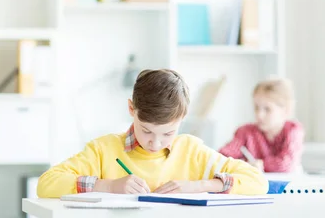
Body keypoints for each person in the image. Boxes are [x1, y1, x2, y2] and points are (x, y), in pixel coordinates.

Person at [37, 69, 268, 196]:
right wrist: (109, 186)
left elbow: (258, 182)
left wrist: (198, 185)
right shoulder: (104, 150)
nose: (155, 143)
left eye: (168, 133)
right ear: (131, 109)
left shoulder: (192, 151)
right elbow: (46, 184)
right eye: (146, 130)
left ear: (182, 119)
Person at [219, 78, 304, 172]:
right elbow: (221, 157)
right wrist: (245, 165)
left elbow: (287, 164)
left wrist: (261, 164)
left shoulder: (293, 131)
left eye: (267, 109)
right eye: (256, 107)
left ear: (286, 110)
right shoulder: (245, 132)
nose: (259, 115)